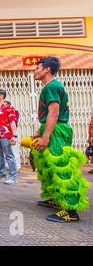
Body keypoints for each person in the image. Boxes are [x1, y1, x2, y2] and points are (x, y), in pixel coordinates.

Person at [31, 56, 89, 222]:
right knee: (50, 167)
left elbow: (54, 112)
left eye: (37, 68)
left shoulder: (51, 87)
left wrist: (46, 136)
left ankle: (70, 211)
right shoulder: (53, 86)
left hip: (56, 130)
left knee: (61, 168)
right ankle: (56, 198)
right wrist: (39, 131)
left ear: (47, 69)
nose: (35, 71)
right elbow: (50, 114)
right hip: (53, 128)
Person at [4, 100, 21, 172]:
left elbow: (14, 122)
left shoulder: (15, 112)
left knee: (14, 150)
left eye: (4, 105)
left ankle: (16, 166)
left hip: (11, 133)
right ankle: (6, 165)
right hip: (3, 133)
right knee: (5, 150)